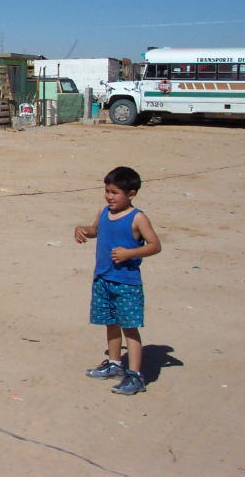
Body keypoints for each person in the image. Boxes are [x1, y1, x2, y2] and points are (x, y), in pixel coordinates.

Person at [74, 166, 162, 395]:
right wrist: (83, 230)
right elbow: (96, 230)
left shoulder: (138, 218)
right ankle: (114, 364)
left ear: (131, 194)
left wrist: (129, 253)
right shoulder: (104, 212)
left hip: (126, 283)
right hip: (103, 278)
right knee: (110, 323)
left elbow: (155, 245)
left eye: (115, 192)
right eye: (107, 191)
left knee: (129, 329)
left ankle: (135, 376)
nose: (109, 197)